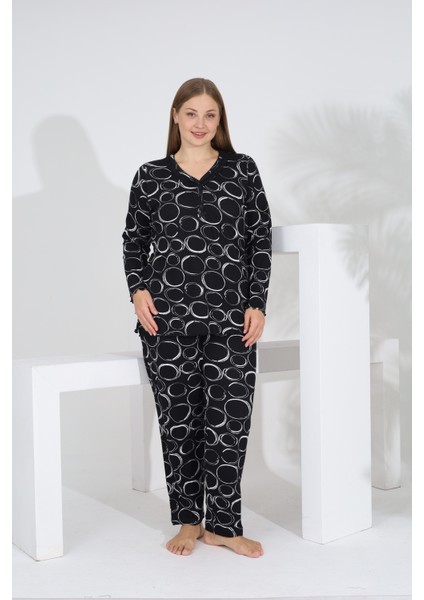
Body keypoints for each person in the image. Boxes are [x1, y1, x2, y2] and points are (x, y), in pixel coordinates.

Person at [122, 77, 272, 558]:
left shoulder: (242, 170)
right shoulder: (150, 176)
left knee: (230, 423)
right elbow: (134, 241)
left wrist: (257, 302)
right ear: (175, 116)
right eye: (191, 114)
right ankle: (189, 522)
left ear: (220, 120)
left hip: (231, 320)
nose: (200, 124)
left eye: (210, 115)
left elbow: (259, 239)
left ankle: (223, 526)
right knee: (179, 424)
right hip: (166, 322)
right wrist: (138, 290)